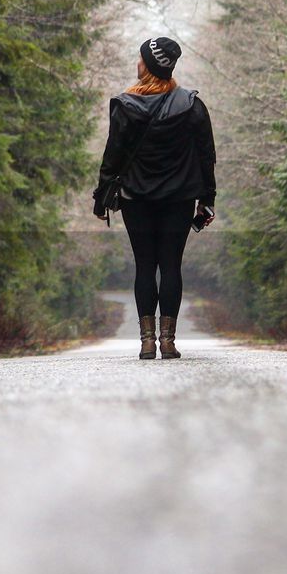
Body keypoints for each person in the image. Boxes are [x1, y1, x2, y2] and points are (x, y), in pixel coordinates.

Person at [92, 36, 216, 360]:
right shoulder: (191, 105)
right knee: (171, 265)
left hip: (136, 198)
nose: (137, 63)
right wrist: (207, 198)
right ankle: (169, 341)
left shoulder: (125, 105)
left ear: (148, 65)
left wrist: (102, 194)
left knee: (145, 265)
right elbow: (206, 156)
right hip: (179, 197)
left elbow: (113, 156)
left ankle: (147, 342)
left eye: (141, 59)